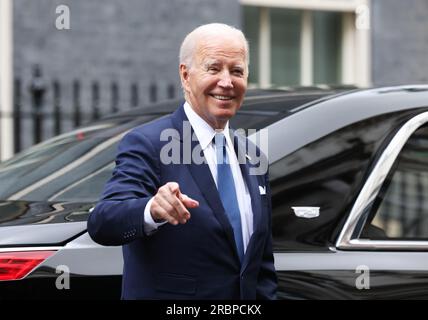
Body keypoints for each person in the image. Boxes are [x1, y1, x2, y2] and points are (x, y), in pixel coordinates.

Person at [87, 23, 277, 300]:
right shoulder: (150, 142)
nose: (227, 82)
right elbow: (103, 222)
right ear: (186, 76)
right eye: (214, 68)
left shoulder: (253, 155)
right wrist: (151, 209)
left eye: (237, 71)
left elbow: (261, 264)